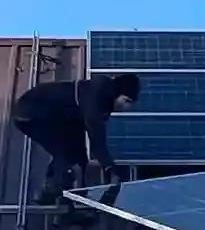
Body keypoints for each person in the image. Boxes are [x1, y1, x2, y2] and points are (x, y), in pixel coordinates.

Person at [11, 73, 140, 206]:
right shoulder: (97, 96)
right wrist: (109, 167)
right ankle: (50, 190)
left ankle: (67, 202)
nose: (126, 108)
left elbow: (82, 135)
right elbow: (96, 137)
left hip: (57, 116)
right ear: (118, 94)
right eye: (126, 101)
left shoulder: (99, 98)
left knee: (78, 157)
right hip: (33, 111)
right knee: (67, 153)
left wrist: (100, 165)